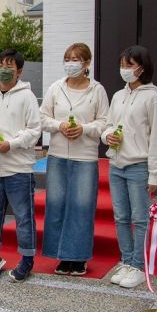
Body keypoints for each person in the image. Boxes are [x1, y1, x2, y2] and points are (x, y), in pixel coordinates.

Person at [39, 43, 109, 277]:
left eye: (76, 59)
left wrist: (84, 129)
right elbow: (42, 117)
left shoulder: (97, 90)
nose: (71, 63)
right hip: (57, 155)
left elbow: (104, 122)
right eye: (67, 58)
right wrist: (59, 125)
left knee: (81, 206)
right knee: (56, 204)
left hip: (85, 156)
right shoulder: (56, 88)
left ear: (87, 63)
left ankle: (78, 258)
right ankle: (61, 255)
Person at [101, 46, 157, 289]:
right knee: (121, 217)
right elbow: (107, 125)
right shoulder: (118, 95)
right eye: (123, 65)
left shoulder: (153, 97)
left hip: (138, 166)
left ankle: (139, 265)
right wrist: (108, 136)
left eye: (130, 65)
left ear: (142, 67)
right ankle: (127, 260)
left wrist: (154, 173)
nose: (125, 70)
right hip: (116, 164)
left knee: (140, 219)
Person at [0, 49, 41, 280]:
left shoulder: (27, 97)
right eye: (0, 64)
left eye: (9, 65)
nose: (2, 68)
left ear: (19, 71)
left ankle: (27, 260)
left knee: (23, 216)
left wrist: (11, 144)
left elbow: (34, 131)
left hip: (19, 169)